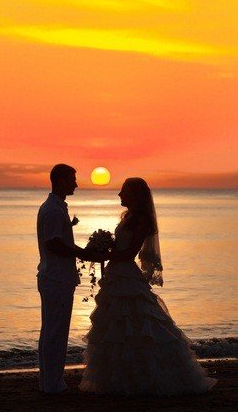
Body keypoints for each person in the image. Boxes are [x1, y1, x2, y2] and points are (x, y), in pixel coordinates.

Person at [79, 177, 217, 396]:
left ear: (134, 194)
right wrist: (105, 243)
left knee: (135, 325)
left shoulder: (142, 220)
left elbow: (129, 253)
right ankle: (118, 379)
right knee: (115, 328)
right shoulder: (129, 217)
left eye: (123, 191)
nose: (119, 195)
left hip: (125, 275)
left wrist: (103, 254)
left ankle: (145, 379)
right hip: (116, 274)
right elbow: (121, 247)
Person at [37, 164, 93, 394]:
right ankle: (51, 384)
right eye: (72, 179)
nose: (76, 184)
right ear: (60, 180)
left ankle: (51, 381)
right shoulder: (52, 209)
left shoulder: (56, 208)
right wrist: (81, 252)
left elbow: (57, 238)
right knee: (55, 332)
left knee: (53, 330)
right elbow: (53, 243)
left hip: (57, 278)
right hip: (56, 279)